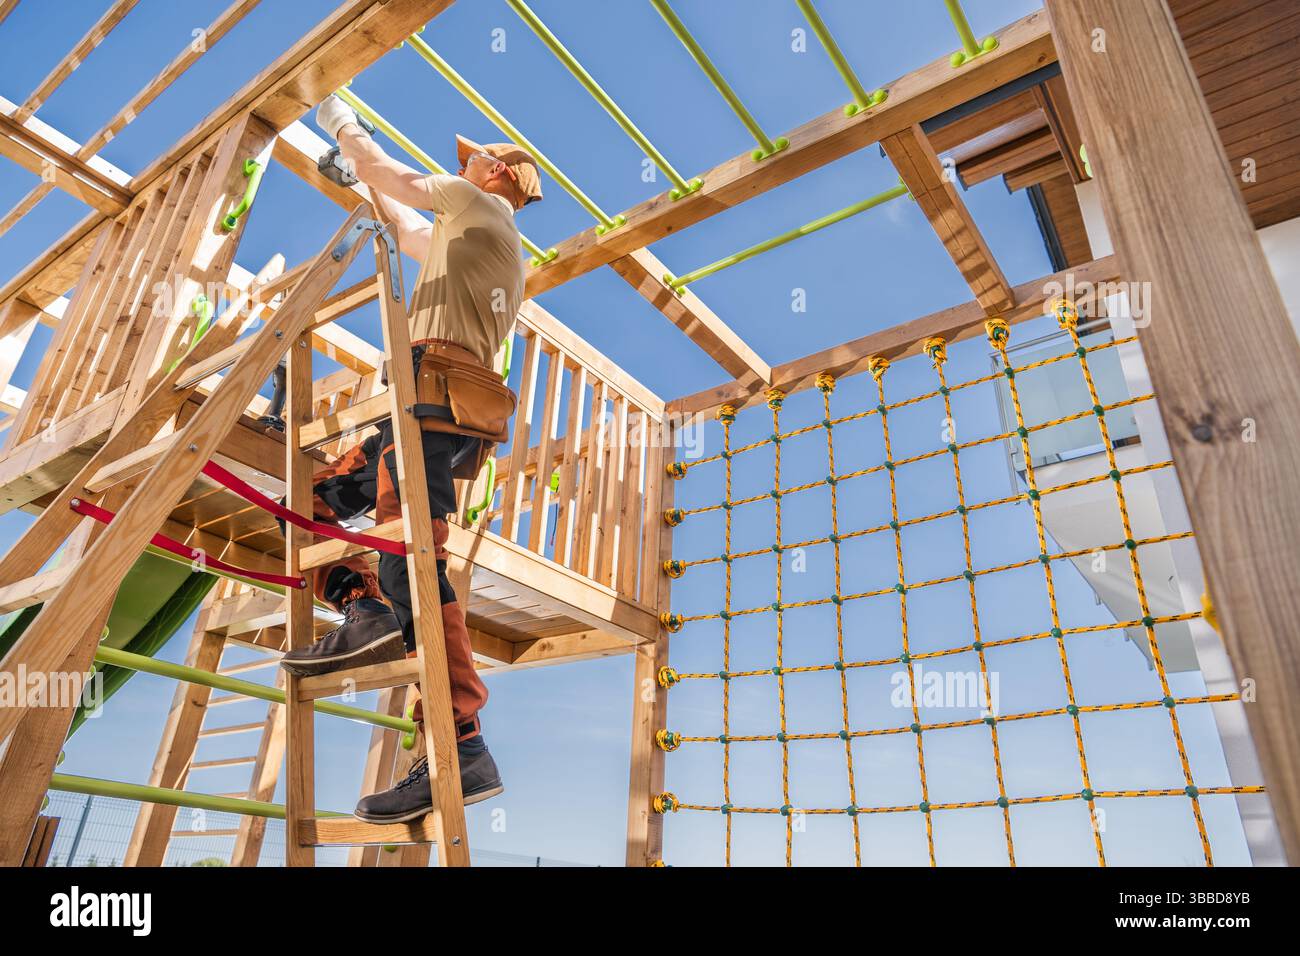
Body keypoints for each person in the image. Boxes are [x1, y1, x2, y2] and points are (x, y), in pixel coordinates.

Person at [278, 94, 543, 823]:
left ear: (496, 173)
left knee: (410, 554)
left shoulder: (478, 206)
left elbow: (393, 177)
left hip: (429, 397)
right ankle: (365, 610)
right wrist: (359, 180)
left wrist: (338, 117)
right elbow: (401, 219)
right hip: (437, 404)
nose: (463, 165)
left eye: (474, 160)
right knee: (318, 498)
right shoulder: (479, 237)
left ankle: (461, 743)